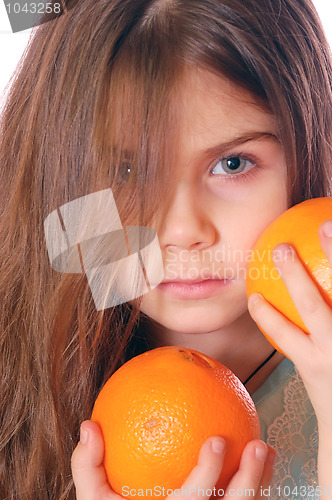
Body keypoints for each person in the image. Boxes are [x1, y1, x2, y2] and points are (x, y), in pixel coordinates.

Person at [0, 0, 332, 498]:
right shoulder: (17, 373)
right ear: (56, 190)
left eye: (234, 163)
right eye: (126, 172)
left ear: (311, 152)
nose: (180, 230)